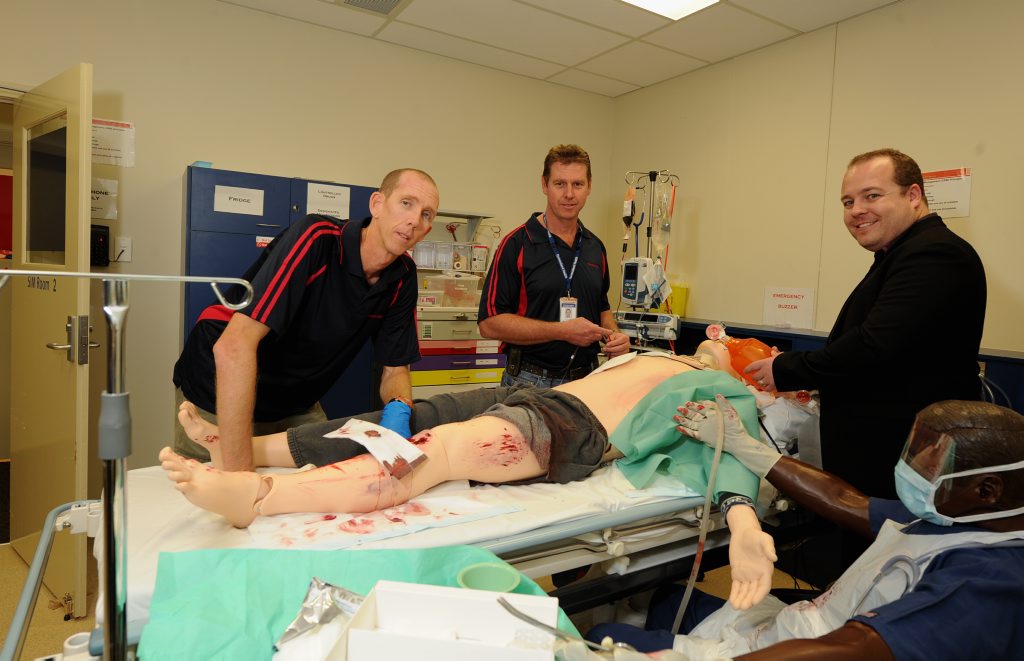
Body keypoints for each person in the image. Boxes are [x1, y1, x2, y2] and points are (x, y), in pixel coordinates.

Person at [162, 346, 780, 604]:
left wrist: (745, 523)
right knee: (390, 420)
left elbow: (729, 453)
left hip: (569, 426)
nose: (721, 342)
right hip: (530, 391)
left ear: (748, 370)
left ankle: (260, 496)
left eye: (737, 347)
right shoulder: (654, 351)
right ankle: (242, 450)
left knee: (435, 451)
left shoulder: (726, 388)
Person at [585, 397, 1024, 659]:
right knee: (660, 598)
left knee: (596, 639)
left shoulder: (986, 583)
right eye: (915, 450)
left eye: (930, 463)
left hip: (790, 647)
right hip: (787, 623)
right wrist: (745, 445)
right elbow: (844, 500)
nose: (912, 469)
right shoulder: (949, 517)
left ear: (986, 490)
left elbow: (853, 650)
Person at [744, 148, 986, 500]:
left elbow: (874, 345)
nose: (856, 210)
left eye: (872, 195)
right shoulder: (898, 254)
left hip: (904, 460)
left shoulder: (935, 254)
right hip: (880, 457)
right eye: (847, 201)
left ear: (913, 195)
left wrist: (786, 368)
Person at [172, 168, 439, 472]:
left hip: (294, 399)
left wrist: (398, 410)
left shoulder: (403, 277)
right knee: (215, 497)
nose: (415, 220)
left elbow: (395, 369)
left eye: (427, 214)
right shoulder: (318, 239)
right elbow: (233, 346)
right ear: (377, 204)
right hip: (220, 385)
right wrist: (240, 476)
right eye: (407, 203)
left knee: (324, 481)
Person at [478, 144, 630, 388]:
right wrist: (561, 331)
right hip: (529, 381)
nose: (569, 194)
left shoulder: (595, 247)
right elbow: (488, 323)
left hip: (587, 380)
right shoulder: (517, 244)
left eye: (577, 184)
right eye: (560, 184)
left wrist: (615, 335)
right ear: (544, 185)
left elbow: (602, 308)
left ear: (589, 186)